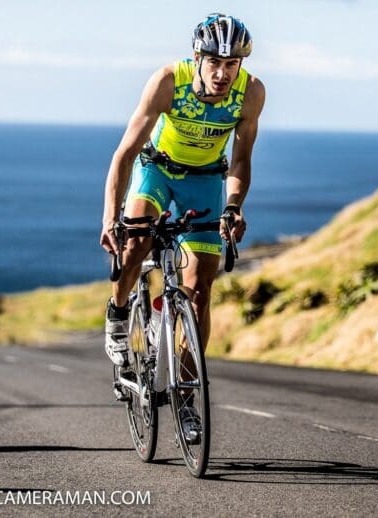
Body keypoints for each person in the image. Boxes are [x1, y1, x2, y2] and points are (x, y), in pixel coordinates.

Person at [99, 13, 265, 438]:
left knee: (200, 293)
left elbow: (242, 160)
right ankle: (118, 314)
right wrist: (109, 218)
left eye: (233, 64)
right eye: (215, 63)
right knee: (135, 244)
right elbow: (124, 153)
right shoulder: (167, 82)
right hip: (157, 170)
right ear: (198, 57)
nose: (224, 73)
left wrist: (233, 207)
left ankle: (186, 399)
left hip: (207, 180)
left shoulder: (251, 95)